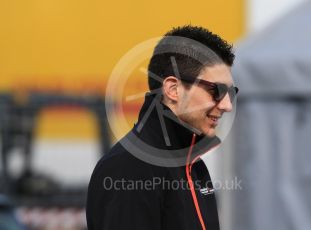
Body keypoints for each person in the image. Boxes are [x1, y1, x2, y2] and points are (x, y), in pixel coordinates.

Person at [86, 25, 238, 230]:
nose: (227, 105)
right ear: (173, 90)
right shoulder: (130, 167)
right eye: (217, 90)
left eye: (231, 92)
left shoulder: (194, 166)